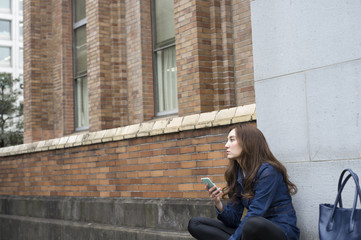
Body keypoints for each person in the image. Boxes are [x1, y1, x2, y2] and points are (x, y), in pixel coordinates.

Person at [188, 124, 300, 240]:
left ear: (248, 142)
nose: (226, 145)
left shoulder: (269, 172)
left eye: (232, 140)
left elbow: (256, 212)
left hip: (279, 232)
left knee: (252, 223)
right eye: (227, 140)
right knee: (196, 224)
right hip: (250, 232)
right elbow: (233, 220)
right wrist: (218, 203)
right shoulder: (238, 173)